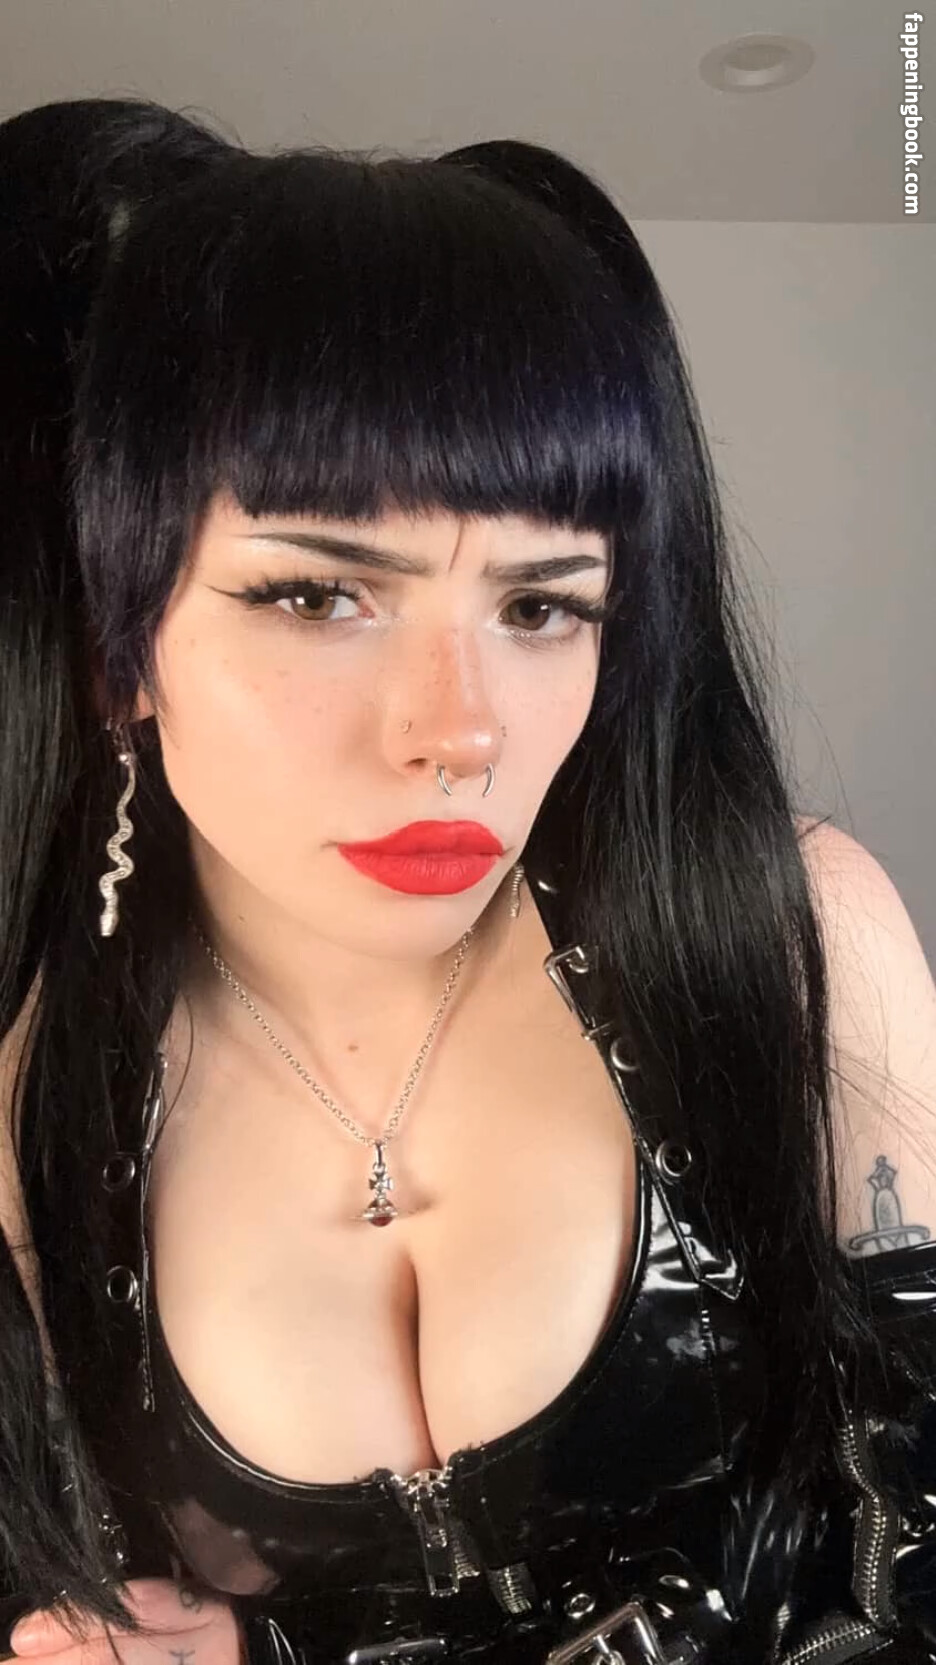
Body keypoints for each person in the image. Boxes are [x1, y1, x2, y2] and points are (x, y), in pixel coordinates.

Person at [0, 95, 934, 1665]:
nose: (463, 729)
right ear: (119, 650)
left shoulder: (790, 939)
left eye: (541, 606)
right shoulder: (34, 1104)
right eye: (318, 594)